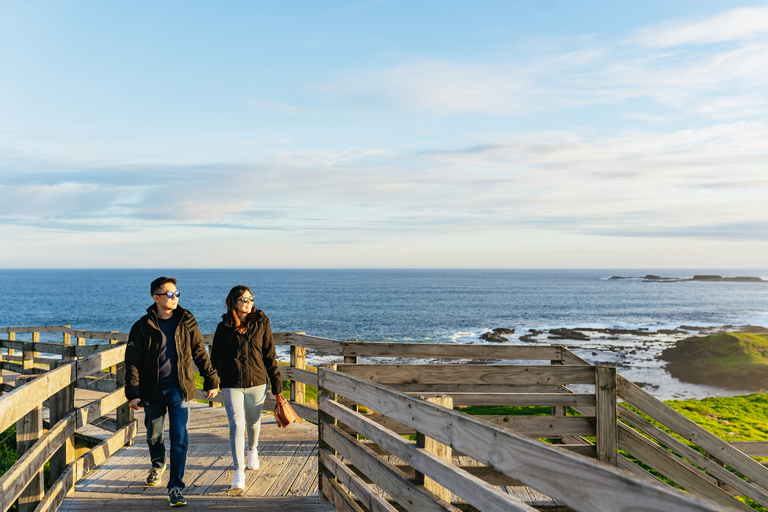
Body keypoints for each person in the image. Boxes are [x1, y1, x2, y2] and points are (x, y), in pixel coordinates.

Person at [125, 276, 220, 507]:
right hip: (152, 391)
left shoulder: (186, 320)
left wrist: (211, 380)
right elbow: (132, 362)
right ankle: (158, 465)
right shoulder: (142, 326)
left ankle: (175, 486)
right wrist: (134, 392)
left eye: (177, 293)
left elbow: (199, 351)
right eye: (169, 294)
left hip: (179, 388)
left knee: (179, 438)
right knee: (153, 436)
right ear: (156, 298)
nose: (174, 297)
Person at [210, 285, 283, 494]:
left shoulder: (262, 323)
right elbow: (217, 358)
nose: (248, 302)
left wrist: (277, 387)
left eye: (251, 298)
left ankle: (252, 450)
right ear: (234, 302)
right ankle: (238, 472)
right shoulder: (223, 327)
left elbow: (270, 355)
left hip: (258, 382)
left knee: (253, 422)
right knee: (236, 425)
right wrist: (212, 382)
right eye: (243, 299)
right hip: (231, 384)